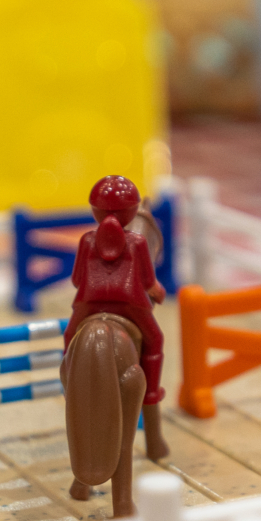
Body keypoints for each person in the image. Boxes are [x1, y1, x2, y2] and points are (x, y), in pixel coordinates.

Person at [69, 174, 165, 420]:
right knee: (155, 339)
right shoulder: (139, 242)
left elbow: (77, 280)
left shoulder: (86, 240)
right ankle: (151, 393)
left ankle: (69, 381)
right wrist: (158, 290)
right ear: (132, 211)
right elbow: (147, 282)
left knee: (70, 336)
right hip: (130, 304)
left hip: (89, 303)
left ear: (95, 210)